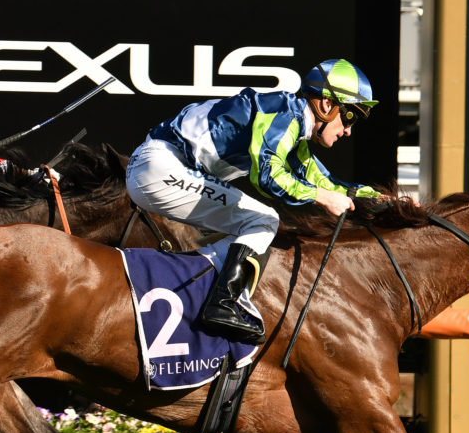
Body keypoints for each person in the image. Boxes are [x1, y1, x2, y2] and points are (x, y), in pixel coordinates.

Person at [125, 58, 381, 344]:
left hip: (159, 167)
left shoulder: (293, 126)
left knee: (252, 223)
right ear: (326, 104)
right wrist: (322, 198)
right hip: (161, 167)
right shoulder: (283, 114)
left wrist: (384, 200)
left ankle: (207, 295)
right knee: (263, 219)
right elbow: (269, 176)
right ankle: (220, 304)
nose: (348, 131)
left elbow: (328, 183)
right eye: (350, 117)